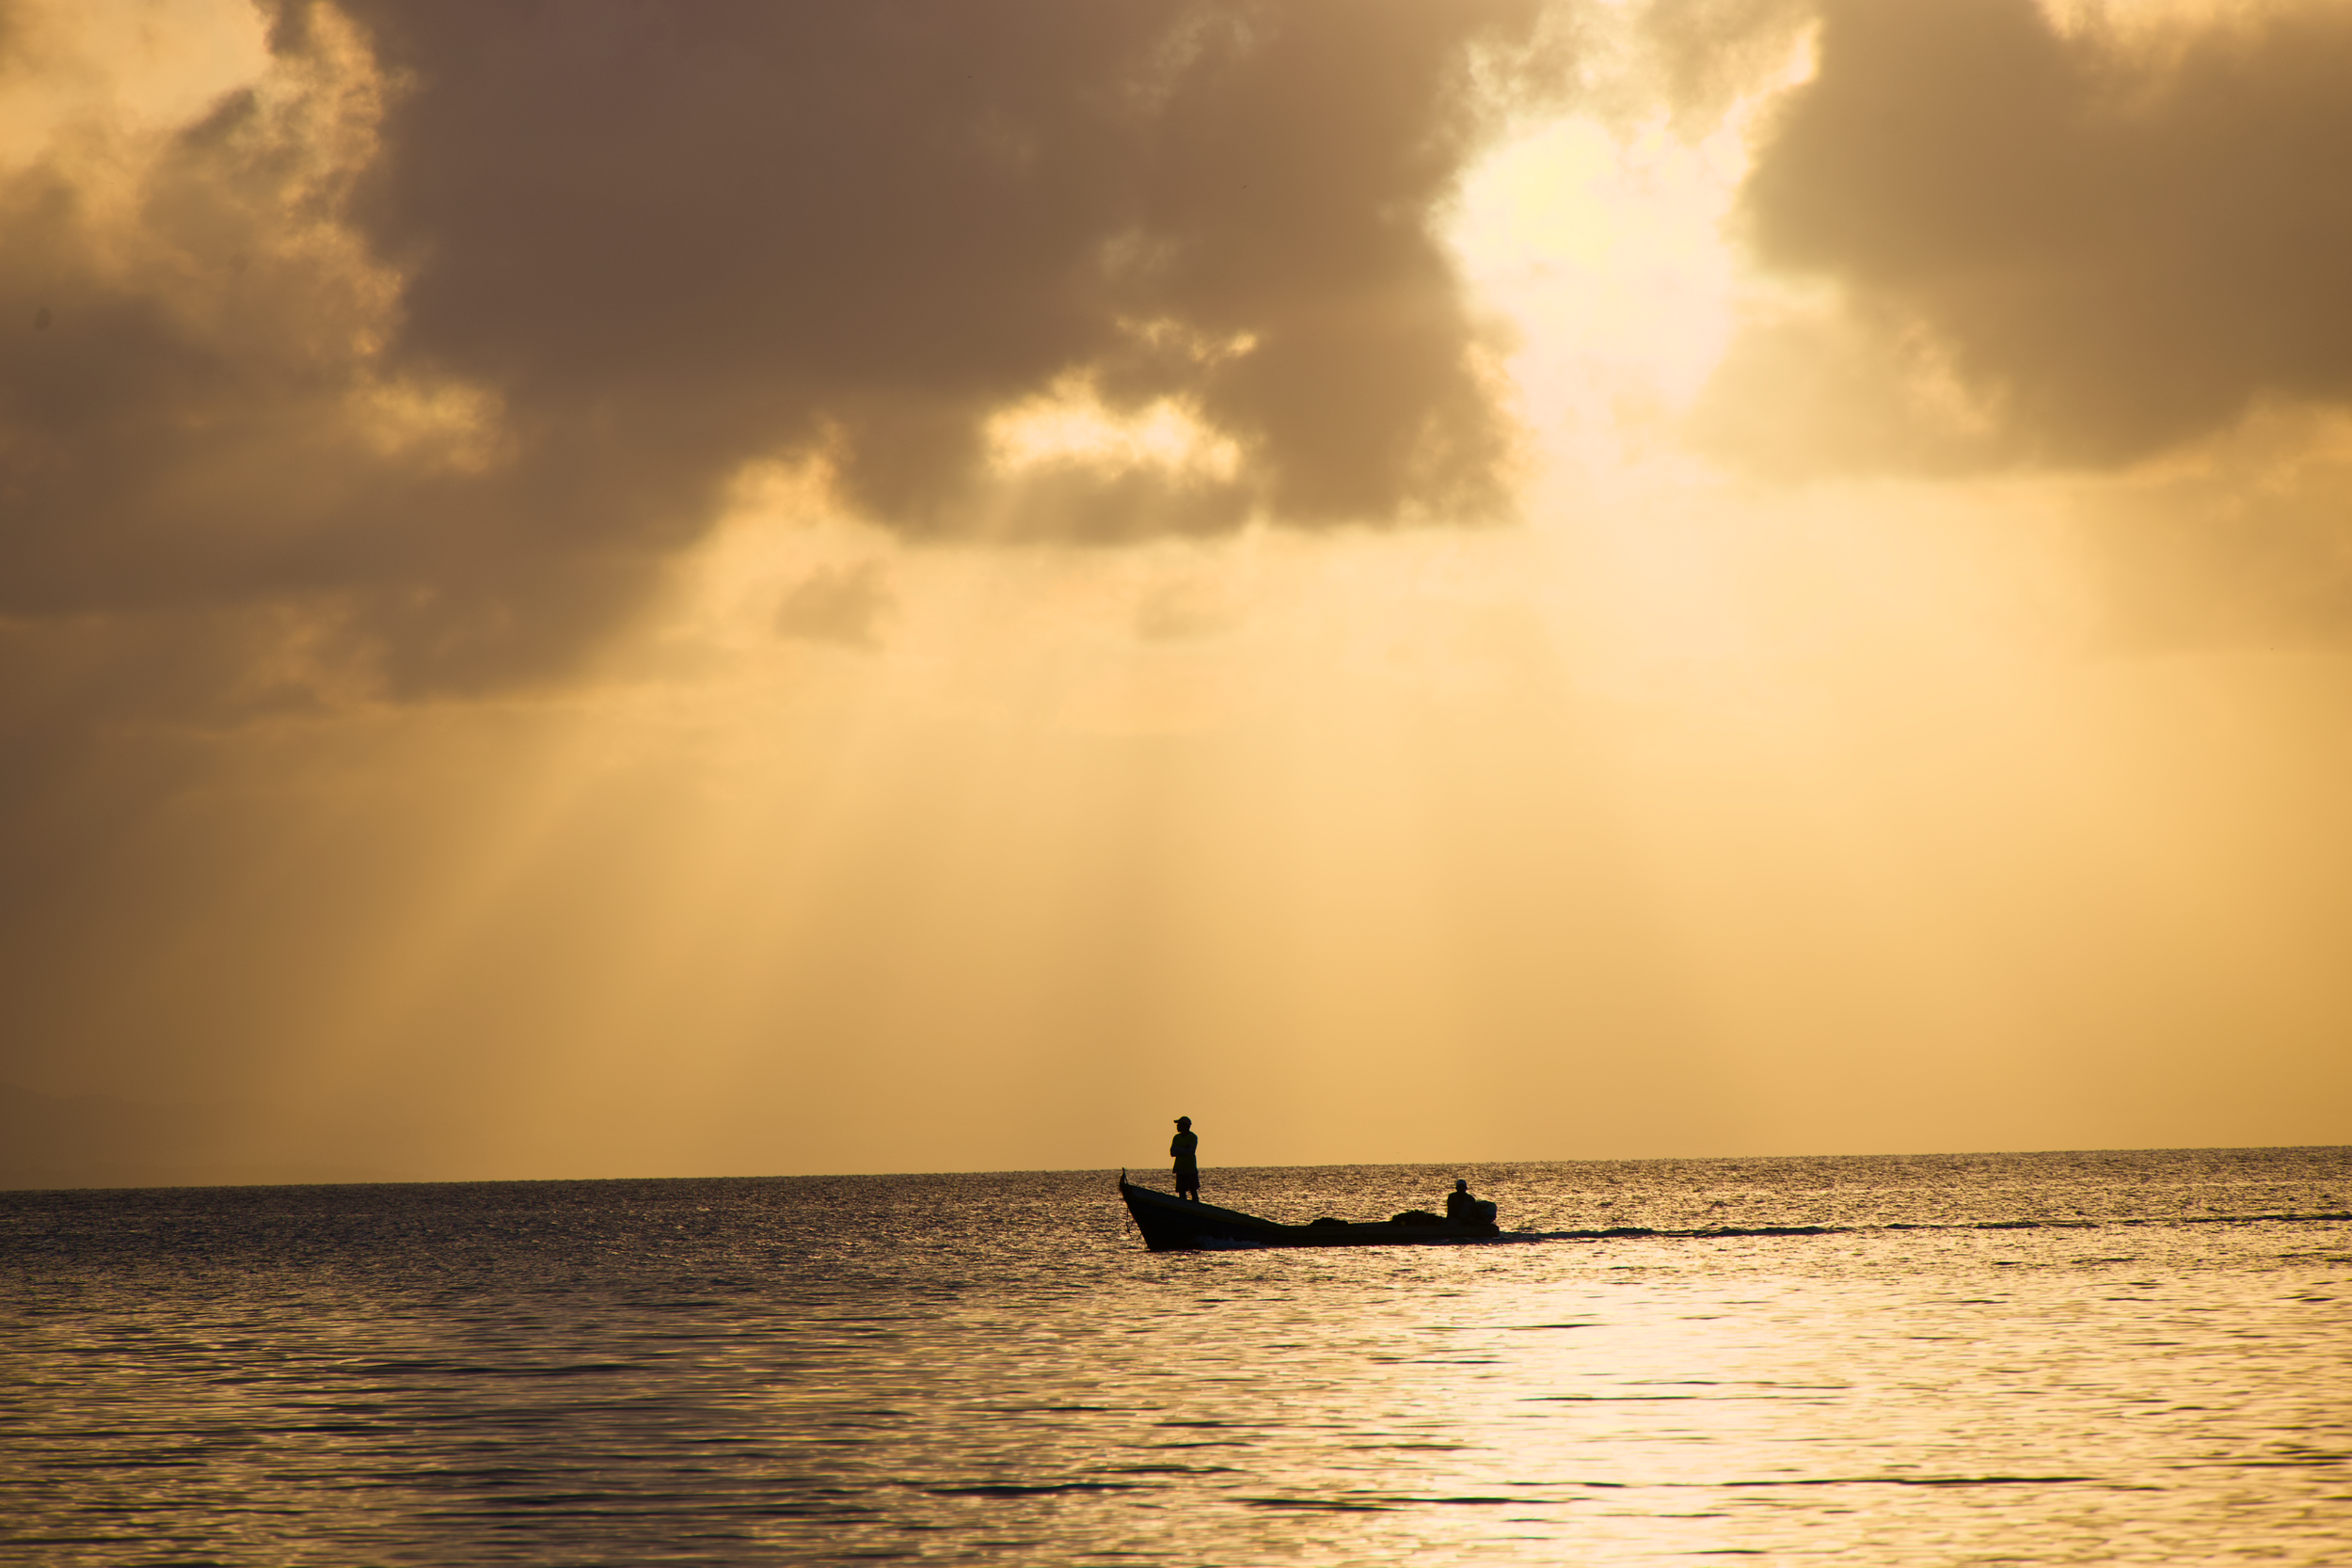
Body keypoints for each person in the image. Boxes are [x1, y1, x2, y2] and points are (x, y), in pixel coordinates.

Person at [1170, 1117, 1200, 1200]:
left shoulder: (1192, 1137)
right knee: (1181, 1191)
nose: (1177, 1126)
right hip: (1179, 1168)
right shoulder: (1176, 1137)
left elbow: (1190, 1150)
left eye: (1179, 1125)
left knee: (1193, 1190)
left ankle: (1196, 1208)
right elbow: (1172, 1153)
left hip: (1190, 1168)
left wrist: (1178, 1149)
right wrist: (1183, 1149)